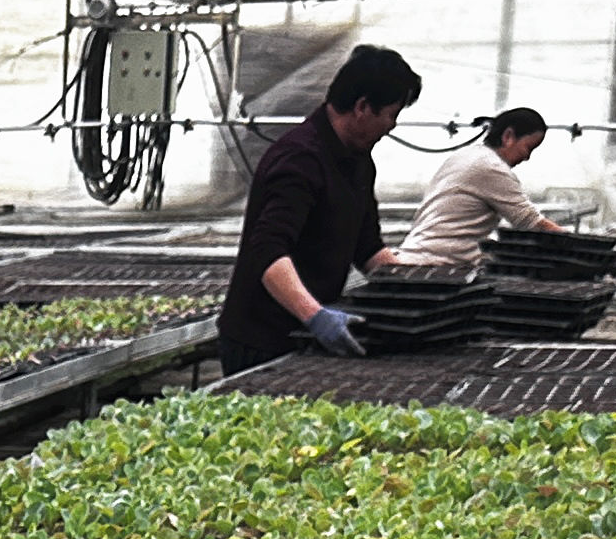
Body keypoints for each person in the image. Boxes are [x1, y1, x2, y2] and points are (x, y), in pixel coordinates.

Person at [219, 44, 423, 372]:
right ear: (362, 107)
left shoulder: (358, 162)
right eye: (391, 114)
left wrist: (418, 285)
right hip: (262, 339)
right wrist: (316, 316)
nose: (392, 126)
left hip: (306, 334)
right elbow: (268, 252)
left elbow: (367, 248)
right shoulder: (300, 158)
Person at [395, 108, 555, 266]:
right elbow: (531, 222)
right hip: (437, 262)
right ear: (508, 136)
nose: (527, 157)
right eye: (528, 148)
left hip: (414, 255)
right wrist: (567, 240)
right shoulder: (491, 167)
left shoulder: (466, 156)